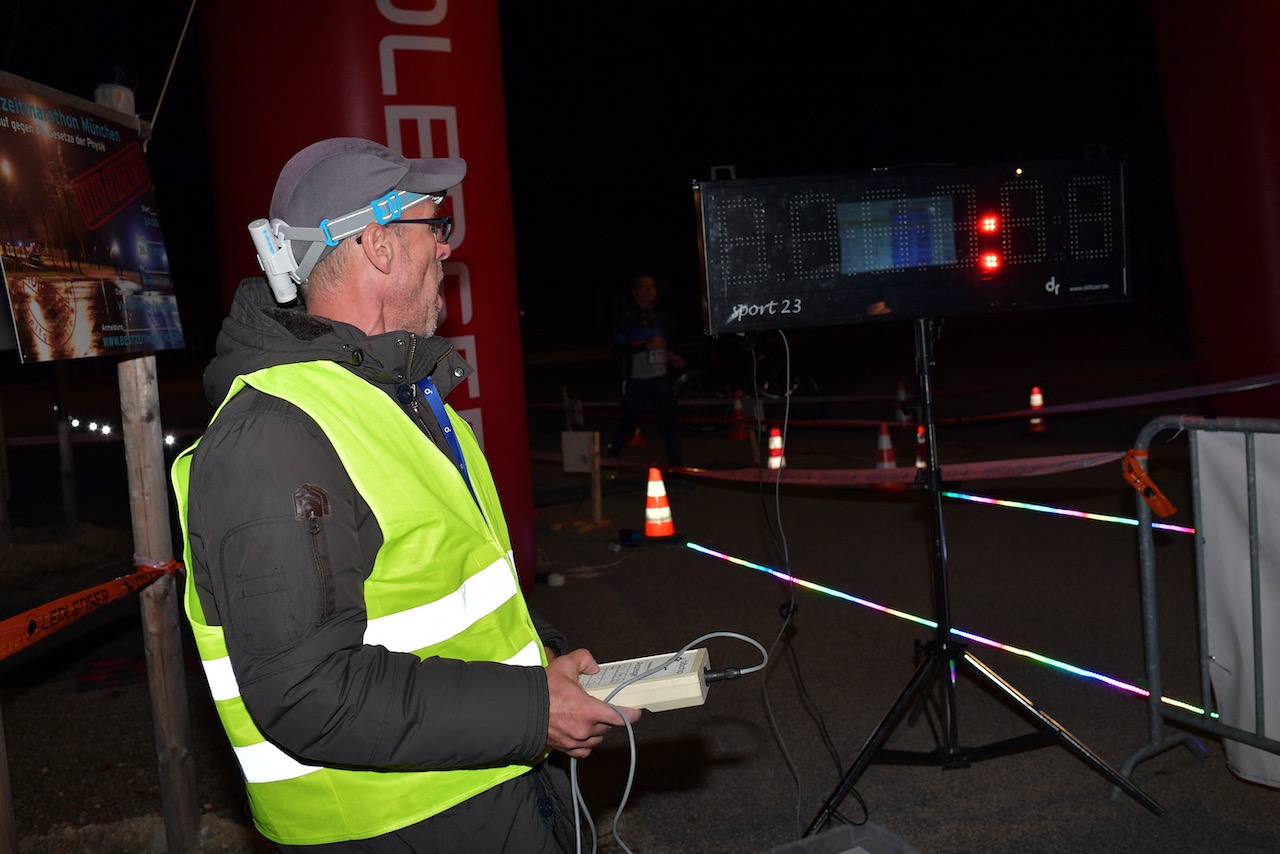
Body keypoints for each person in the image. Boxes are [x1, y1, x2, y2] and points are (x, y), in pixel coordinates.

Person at [171, 137, 640, 852]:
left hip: (488, 795)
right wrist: (529, 711)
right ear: (378, 245)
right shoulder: (272, 438)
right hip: (394, 828)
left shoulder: (406, 401)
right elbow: (306, 690)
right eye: (436, 226)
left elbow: (440, 602)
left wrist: (539, 671)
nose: (446, 249)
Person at [605, 273, 686, 466]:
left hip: (660, 380)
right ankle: (610, 457)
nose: (650, 291)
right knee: (627, 425)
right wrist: (644, 345)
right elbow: (617, 350)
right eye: (644, 287)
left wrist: (672, 356)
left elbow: (666, 346)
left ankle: (677, 470)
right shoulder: (628, 319)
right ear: (634, 292)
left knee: (671, 426)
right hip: (637, 381)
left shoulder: (662, 318)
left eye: (653, 287)